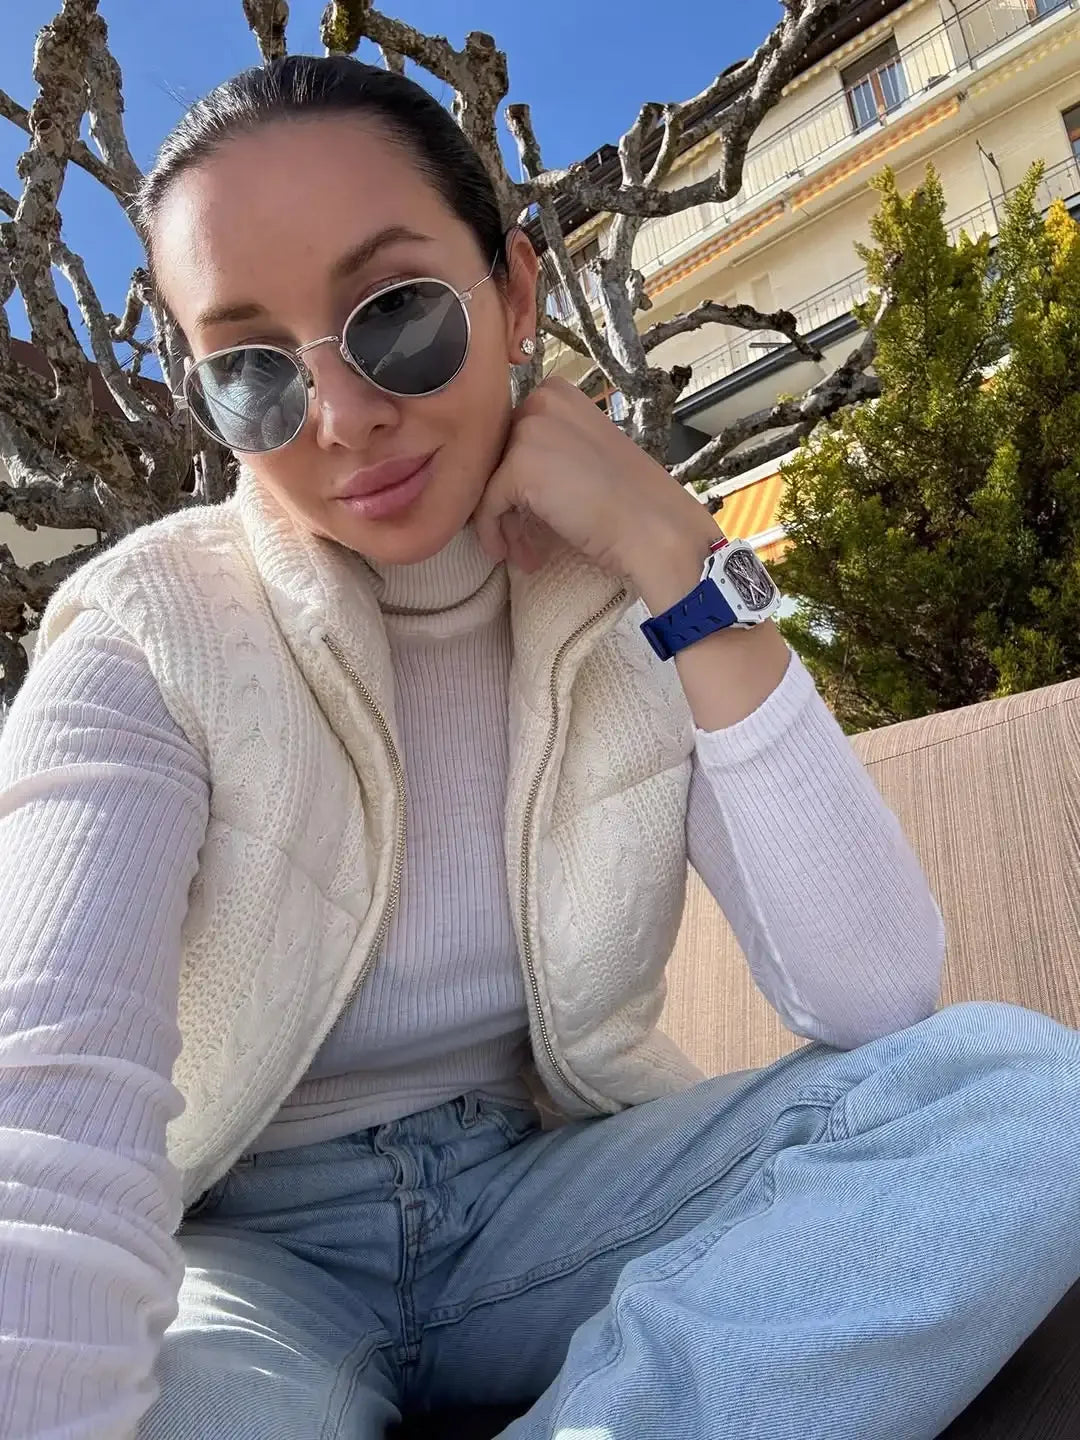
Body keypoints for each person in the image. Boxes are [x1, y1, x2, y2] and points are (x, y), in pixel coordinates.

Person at [0, 53, 1077, 1440]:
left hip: (547, 1194)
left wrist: (674, 554)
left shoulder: (627, 598)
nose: (343, 415)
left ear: (513, 294)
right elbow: (44, 1108)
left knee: (1019, 1093)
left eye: (395, 315)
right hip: (246, 1252)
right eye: (253, 371)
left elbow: (873, 993)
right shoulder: (147, 633)